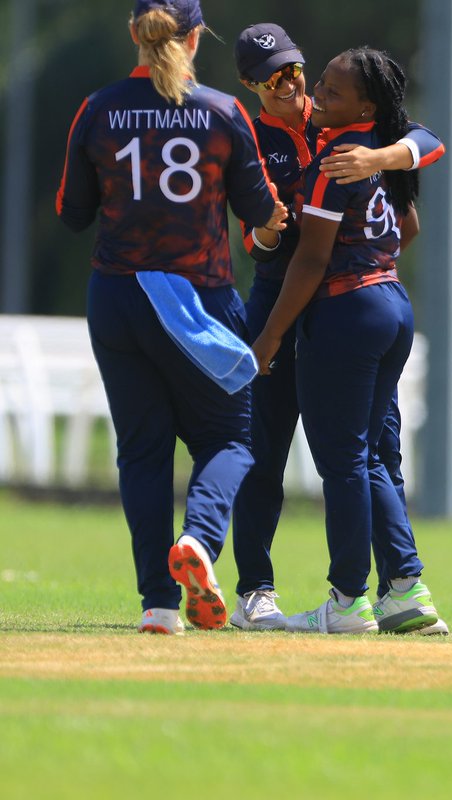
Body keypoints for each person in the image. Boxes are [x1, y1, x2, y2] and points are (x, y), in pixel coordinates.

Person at [55, 0, 286, 634]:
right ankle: (200, 544)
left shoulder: (98, 108)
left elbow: (72, 212)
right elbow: (258, 207)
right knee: (233, 439)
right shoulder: (220, 110)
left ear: (135, 34)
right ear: (194, 37)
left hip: (118, 297)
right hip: (198, 300)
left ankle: (158, 604)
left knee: (143, 452)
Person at [227, 23, 448, 635]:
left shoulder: (341, 124)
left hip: (337, 296)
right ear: (251, 84)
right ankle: (256, 591)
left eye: (299, 71)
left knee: (371, 454)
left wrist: (377, 160)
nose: (296, 85)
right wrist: (269, 229)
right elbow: (257, 240)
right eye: (277, 77)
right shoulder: (246, 135)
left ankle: (383, 588)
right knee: (266, 452)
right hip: (290, 289)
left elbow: (427, 141)